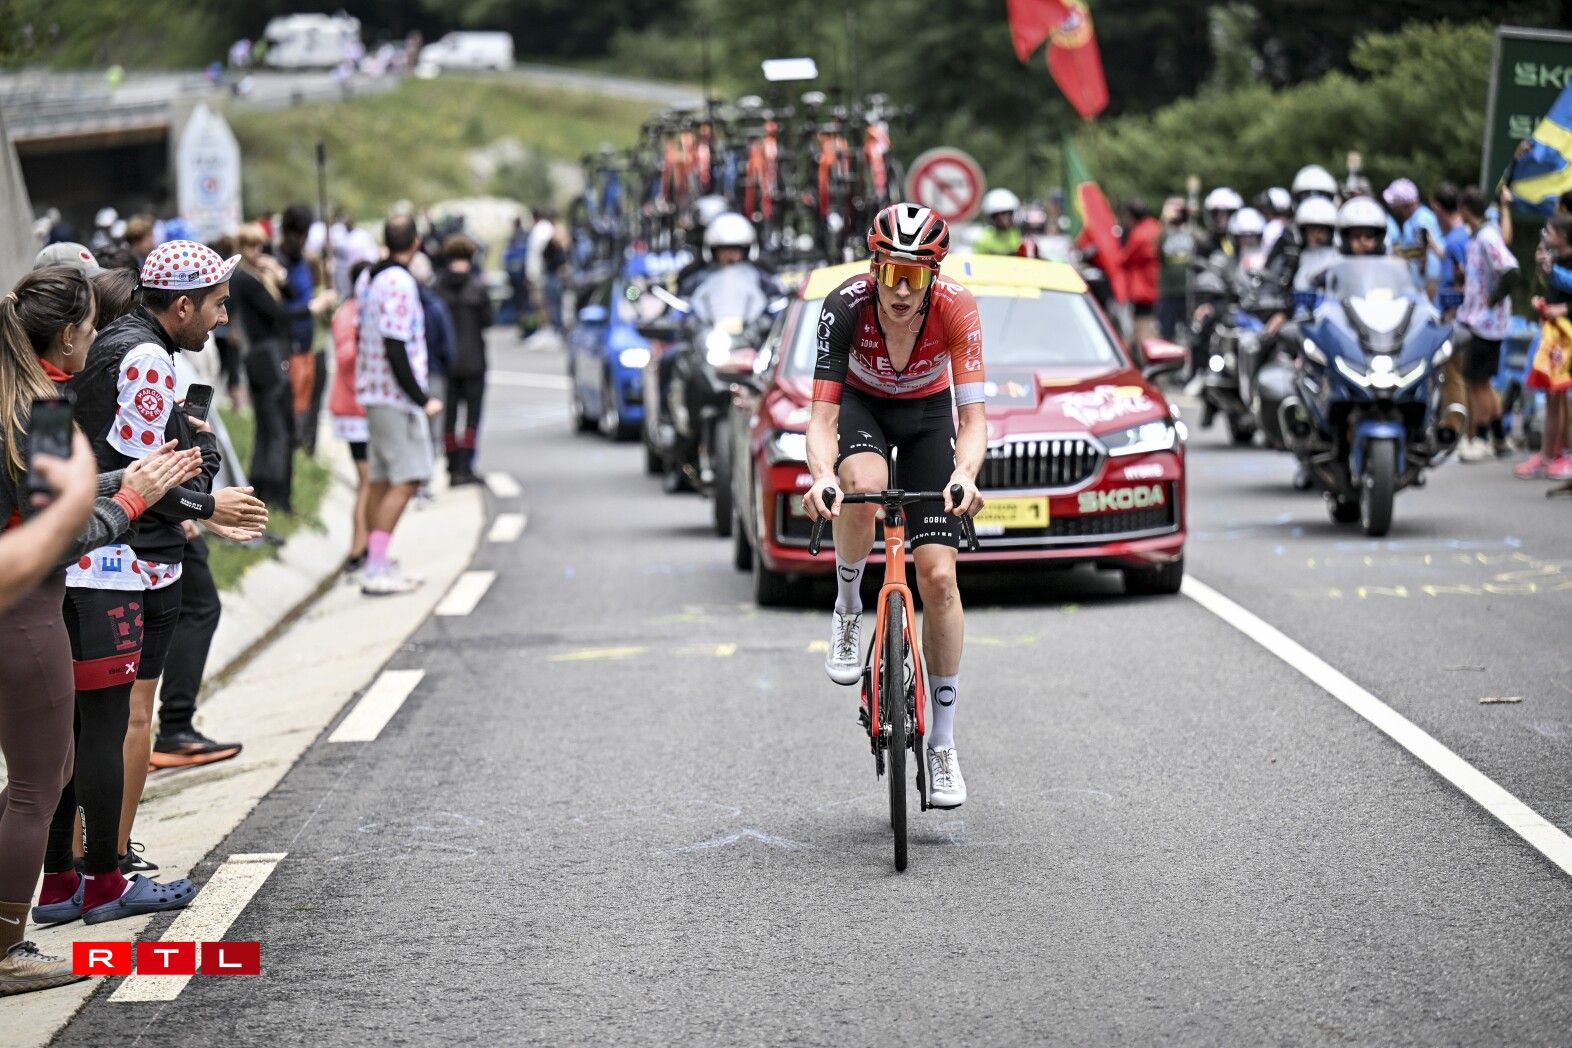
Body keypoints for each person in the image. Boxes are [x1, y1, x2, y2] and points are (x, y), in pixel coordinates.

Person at [0, 267, 201, 992]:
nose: (99, 338)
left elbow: (44, 499)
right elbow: (58, 530)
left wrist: (128, 479)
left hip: (21, 605)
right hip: (26, 611)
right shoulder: (46, 409)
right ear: (69, 336)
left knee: (40, 777)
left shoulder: (19, 400)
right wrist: (134, 502)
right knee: (36, 787)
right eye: (92, 326)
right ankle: (6, 951)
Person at [69, 240, 270, 885]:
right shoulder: (148, 357)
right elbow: (144, 478)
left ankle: (78, 866)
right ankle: (107, 863)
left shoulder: (118, 343)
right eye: (217, 305)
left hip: (106, 555)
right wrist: (209, 502)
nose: (223, 318)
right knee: (128, 721)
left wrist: (196, 456)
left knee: (90, 726)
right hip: (125, 560)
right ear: (182, 305)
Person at [803, 203, 985, 810]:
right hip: (865, 407)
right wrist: (822, 478)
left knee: (939, 578)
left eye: (915, 277)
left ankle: (943, 744)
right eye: (891, 275)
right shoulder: (844, 306)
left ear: (934, 276)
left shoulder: (956, 307)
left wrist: (964, 475)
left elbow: (973, 418)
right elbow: (822, 418)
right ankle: (848, 607)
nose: (902, 291)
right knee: (862, 485)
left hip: (929, 415)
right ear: (873, 270)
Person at [355, 214, 441, 595]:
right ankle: (376, 567)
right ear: (416, 243)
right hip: (395, 397)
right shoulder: (400, 282)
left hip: (374, 391)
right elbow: (396, 344)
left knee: (380, 479)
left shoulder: (371, 277)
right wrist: (421, 398)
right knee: (408, 478)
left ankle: (376, 560)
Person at [232, 223, 296, 512]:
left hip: (265, 357)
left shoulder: (257, 276)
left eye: (260, 246)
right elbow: (279, 313)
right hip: (266, 358)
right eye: (250, 246)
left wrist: (277, 275)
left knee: (270, 425)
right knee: (276, 425)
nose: (256, 251)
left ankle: (267, 488)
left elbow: (289, 296)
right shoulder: (245, 279)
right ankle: (274, 492)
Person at [1456, 186, 1520, 463]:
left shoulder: (1486, 237)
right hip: (1482, 321)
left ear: (1465, 210)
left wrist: (1490, 301)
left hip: (1486, 323)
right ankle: (1499, 436)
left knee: (1476, 381)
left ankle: (1481, 438)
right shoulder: (1480, 235)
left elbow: (1510, 270)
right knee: (1483, 381)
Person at [434, 234, 492, 486]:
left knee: (448, 416)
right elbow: (488, 320)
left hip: (446, 362)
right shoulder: (477, 288)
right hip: (474, 360)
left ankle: (451, 463)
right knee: (472, 416)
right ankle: (466, 464)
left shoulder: (437, 288)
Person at [278, 204, 335, 454]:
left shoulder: (304, 260)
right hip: (288, 345)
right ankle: (295, 449)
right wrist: (312, 307)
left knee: (308, 403)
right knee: (293, 406)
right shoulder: (278, 261)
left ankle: (306, 450)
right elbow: (280, 310)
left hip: (307, 345)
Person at [1521, 214, 1572, 479]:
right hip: (1554, 337)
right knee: (1553, 396)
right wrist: (1543, 303)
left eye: (1549, 231)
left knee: (1560, 396)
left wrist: (1563, 308)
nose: (1545, 235)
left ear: (1563, 237)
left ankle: (1563, 453)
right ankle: (1548, 454)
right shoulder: (1556, 260)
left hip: (1567, 338)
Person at [331, 260, 372, 574]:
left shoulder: (361, 311)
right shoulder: (349, 314)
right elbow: (346, 358)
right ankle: (358, 550)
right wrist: (365, 335)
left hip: (363, 406)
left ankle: (367, 547)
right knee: (367, 482)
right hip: (353, 409)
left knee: (372, 482)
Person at [1383, 178, 1443, 301]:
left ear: (1404, 204)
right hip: (1415, 288)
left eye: (1396, 204)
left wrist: (1430, 289)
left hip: (1426, 290)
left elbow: (1428, 251)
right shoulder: (1412, 219)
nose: (1395, 208)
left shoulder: (1422, 220)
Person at [1118, 198, 1162, 347]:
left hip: (1143, 288)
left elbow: (1124, 259)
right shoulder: (1156, 227)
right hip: (1157, 284)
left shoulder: (1138, 234)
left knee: (1142, 327)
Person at [1156, 198, 1195, 343]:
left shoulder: (1191, 232)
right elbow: (1153, 243)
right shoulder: (1164, 233)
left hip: (1188, 292)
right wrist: (1164, 218)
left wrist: (1191, 217)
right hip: (1168, 291)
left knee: (1191, 334)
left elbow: (1205, 242)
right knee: (1166, 334)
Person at [972, 188, 1023, 255]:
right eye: (1000, 214)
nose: (1004, 218)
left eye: (1008, 213)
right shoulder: (983, 239)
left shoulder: (1017, 236)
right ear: (992, 217)